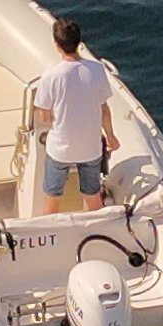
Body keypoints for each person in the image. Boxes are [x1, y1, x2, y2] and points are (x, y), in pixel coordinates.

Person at [33, 16, 117, 215]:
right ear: (79, 43)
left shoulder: (50, 76)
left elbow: (44, 118)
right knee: (93, 198)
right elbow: (104, 109)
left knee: (53, 200)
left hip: (60, 149)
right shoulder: (97, 69)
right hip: (91, 148)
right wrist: (111, 136)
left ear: (57, 45)